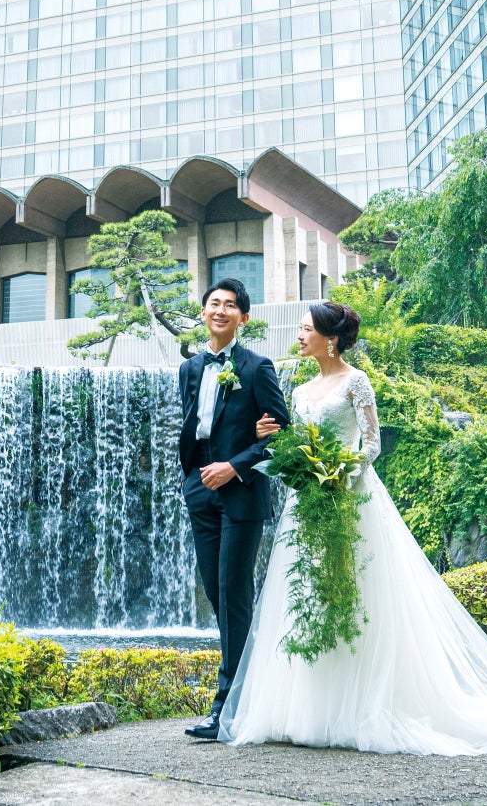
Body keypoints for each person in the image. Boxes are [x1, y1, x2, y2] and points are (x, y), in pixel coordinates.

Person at [218, 300, 487, 756]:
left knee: (358, 594)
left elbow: (372, 445)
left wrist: (338, 472)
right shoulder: (301, 390)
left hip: (350, 497)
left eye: (306, 330)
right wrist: (275, 439)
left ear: (330, 338)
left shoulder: (356, 381)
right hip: (309, 501)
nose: (299, 336)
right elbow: (298, 441)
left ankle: (360, 706)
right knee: (307, 595)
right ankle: (305, 709)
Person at [177, 277, 290, 740]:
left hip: (240, 492)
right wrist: (193, 479)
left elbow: (281, 431)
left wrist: (235, 465)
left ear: (243, 317)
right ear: (203, 313)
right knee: (218, 595)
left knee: (233, 595)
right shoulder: (189, 368)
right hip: (199, 489)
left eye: (230, 306)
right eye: (213, 303)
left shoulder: (257, 367)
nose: (220, 310)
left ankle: (226, 708)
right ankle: (250, 687)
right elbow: (192, 426)